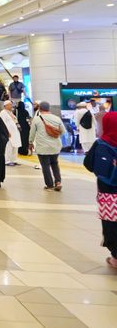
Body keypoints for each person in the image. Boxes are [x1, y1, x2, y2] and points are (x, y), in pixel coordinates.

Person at [84, 111, 117, 268]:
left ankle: (116, 258)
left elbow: (88, 164)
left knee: (111, 225)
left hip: (109, 192)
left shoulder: (101, 143)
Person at [29, 101, 66, 191]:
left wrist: (30, 142)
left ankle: (49, 184)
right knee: (55, 164)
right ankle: (58, 182)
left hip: (42, 147)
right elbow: (63, 131)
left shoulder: (37, 119)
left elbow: (32, 133)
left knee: (45, 165)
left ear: (39, 108)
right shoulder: (56, 118)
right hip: (55, 146)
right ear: (49, 108)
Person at [0, 100, 22, 166]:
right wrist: (6, 132)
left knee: (15, 147)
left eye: (11, 104)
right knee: (9, 147)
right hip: (9, 133)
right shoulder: (3, 113)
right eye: (9, 104)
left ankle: (14, 160)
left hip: (15, 133)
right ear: (5, 106)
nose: (11, 106)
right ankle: (7, 161)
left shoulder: (11, 112)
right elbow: (2, 123)